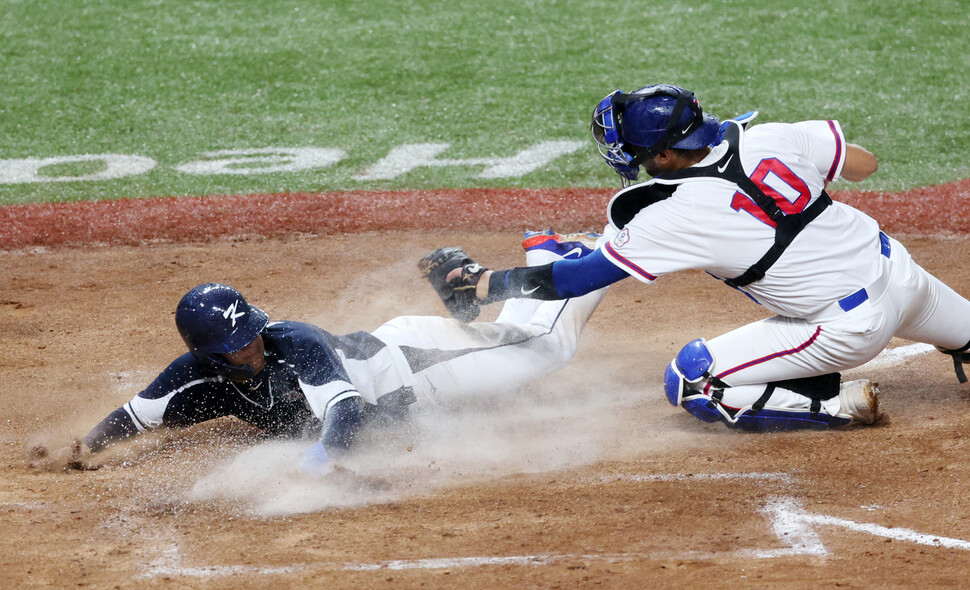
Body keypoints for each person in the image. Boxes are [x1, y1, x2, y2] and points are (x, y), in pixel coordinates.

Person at [434, 83, 970, 431]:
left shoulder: (675, 215)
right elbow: (864, 165)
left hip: (848, 326)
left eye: (640, 153)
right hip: (904, 275)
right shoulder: (768, 136)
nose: (634, 160)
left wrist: (484, 283)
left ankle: (836, 406)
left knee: (692, 381)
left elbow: (579, 277)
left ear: (665, 154)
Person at [30, 231, 608, 473]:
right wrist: (83, 451)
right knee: (529, 350)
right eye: (237, 345)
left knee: (546, 349)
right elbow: (134, 417)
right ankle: (464, 276)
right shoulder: (194, 378)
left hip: (419, 363)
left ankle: (562, 253)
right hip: (404, 375)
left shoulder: (295, 343)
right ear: (210, 355)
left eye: (251, 331)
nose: (253, 344)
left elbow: (346, 411)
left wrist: (324, 460)